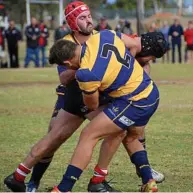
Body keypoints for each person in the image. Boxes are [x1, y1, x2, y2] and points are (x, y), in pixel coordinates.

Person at [4, 2, 165, 192]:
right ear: (73, 23)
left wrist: (132, 67)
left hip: (98, 93)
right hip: (77, 93)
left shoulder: (102, 34)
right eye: (82, 18)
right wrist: (87, 67)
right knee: (58, 137)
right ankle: (36, 181)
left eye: (89, 15)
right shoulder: (67, 44)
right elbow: (64, 78)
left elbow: (134, 46)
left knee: (122, 131)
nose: (89, 20)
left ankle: (20, 176)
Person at [48, 29, 166, 192]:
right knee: (131, 137)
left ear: (67, 63)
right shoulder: (104, 35)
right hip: (151, 92)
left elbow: (93, 105)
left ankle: (63, 188)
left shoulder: (86, 73)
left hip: (135, 101)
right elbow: (132, 44)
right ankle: (148, 181)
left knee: (88, 135)